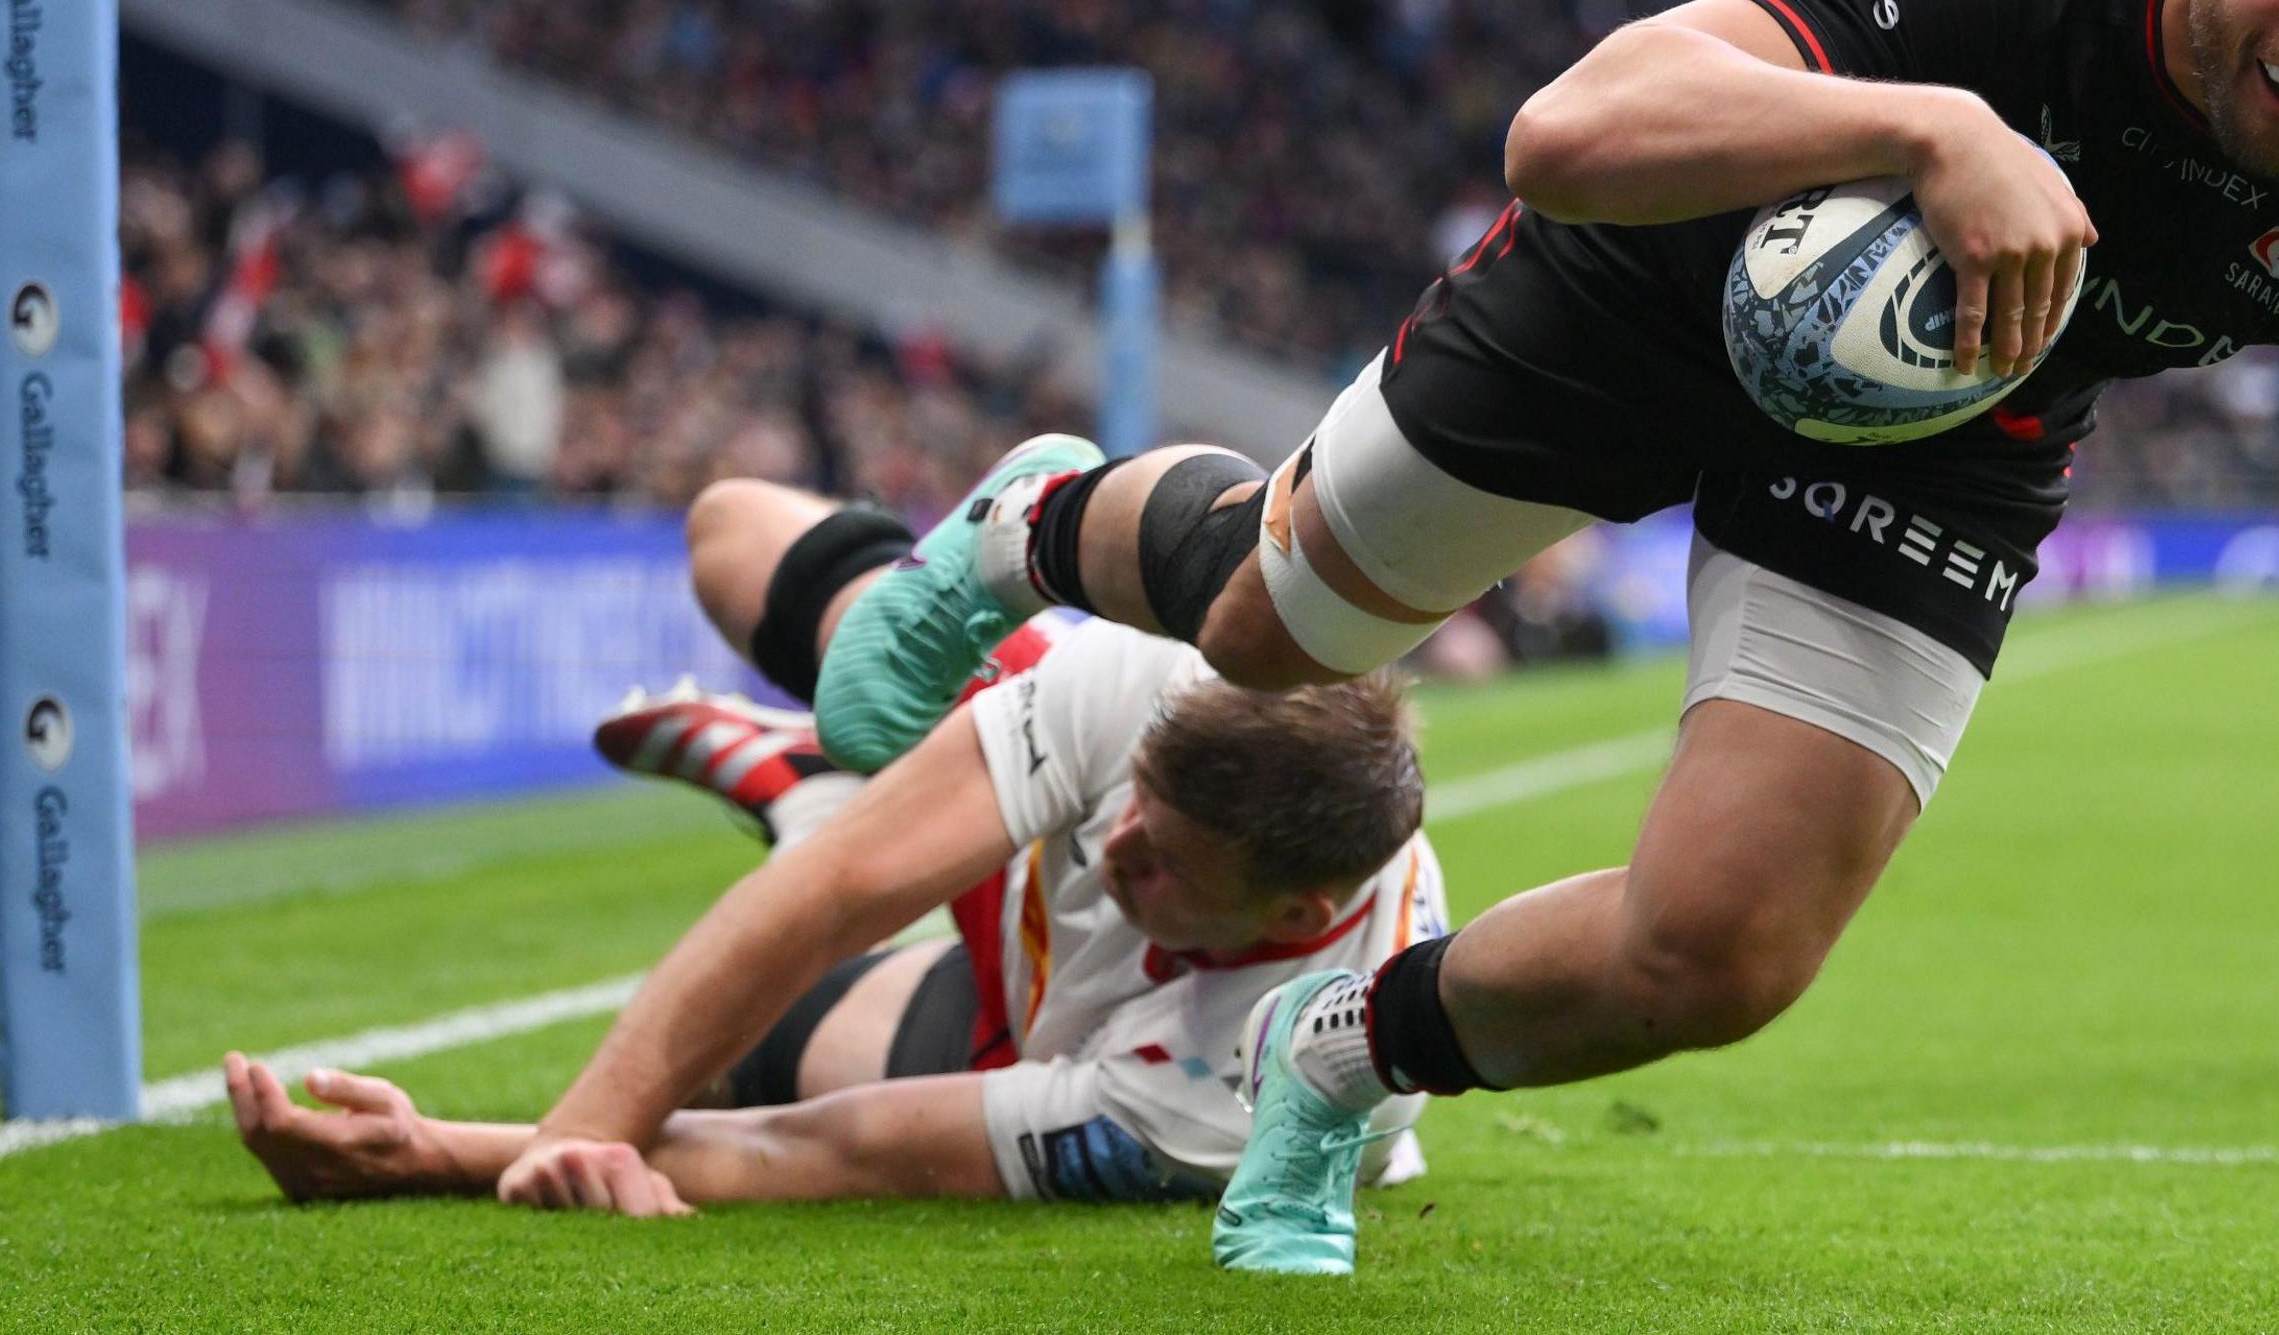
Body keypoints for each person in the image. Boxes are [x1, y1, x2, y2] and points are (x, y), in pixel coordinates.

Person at [780, 0, 2279, 1276]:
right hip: (1646, 288)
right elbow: (1573, 122)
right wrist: (1928, 124)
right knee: (1265, 633)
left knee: (1724, 949)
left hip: (1959, 418)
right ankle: (1030, 514)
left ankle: (1336, 1050)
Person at [224, 481, 1445, 1213]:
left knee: (732, 1074)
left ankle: (814, 783)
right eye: (1133, 805)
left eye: (1165, 864)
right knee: (731, 529)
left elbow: (825, 1149)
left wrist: (442, 1150)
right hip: (1021, 881)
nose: (1119, 852)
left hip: (1037, 1025)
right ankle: (844, 772)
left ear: (1294, 918)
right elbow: (833, 894)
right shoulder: (1153, 680)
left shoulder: (1236, 1103)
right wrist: (586, 1122)